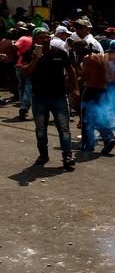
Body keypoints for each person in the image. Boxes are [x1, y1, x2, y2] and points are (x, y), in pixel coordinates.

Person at [19, 28, 79, 169]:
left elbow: (71, 71)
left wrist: (75, 88)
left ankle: (67, 156)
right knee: (40, 130)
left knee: (64, 129)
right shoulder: (29, 54)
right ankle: (43, 155)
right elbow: (25, 72)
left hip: (59, 97)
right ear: (35, 40)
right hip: (39, 98)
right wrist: (35, 59)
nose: (46, 40)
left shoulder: (60, 53)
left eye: (47, 37)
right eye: (42, 38)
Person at [75, 40, 115, 155]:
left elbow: (85, 75)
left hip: (91, 89)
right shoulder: (101, 57)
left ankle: (88, 144)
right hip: (103, 89)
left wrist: (77, 65)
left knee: (87, 118)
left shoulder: (87, 58)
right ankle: (109, 138)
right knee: (101, 115)